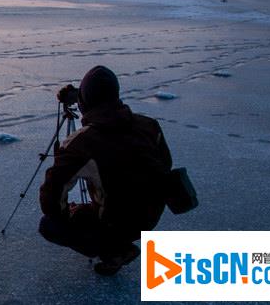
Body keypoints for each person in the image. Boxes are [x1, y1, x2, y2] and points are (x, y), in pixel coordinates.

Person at [38, 66, 172, 275]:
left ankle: (115, 251)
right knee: (114, 195)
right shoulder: (149, 125)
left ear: (84, 102)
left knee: (49, 225)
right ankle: (117, 240)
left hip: (117, 223)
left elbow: (51, 196)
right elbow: (166, 164)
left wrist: (70, 214)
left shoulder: (83, 142)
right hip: (149, 216)